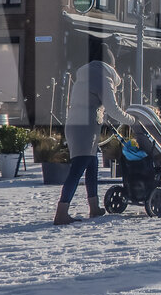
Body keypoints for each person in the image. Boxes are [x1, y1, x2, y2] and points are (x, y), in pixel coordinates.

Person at [56, 39, 131, 225]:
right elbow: (113, 109)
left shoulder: (86, 74)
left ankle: (94, 207)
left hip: (75, 125)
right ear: (110, 63)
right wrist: (132, 120)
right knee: (78, 169)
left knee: (92, 165)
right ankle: (61, 211)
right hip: (86, 127)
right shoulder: (102, 76)